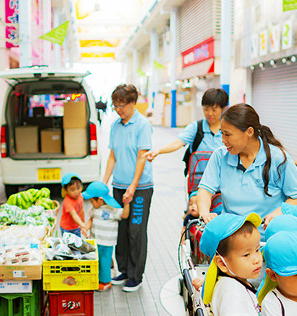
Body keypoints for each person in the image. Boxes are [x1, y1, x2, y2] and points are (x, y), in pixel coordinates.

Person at [197, 103, 297, 231]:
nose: (223, 140)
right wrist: (205, 213)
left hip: (268, 236)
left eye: (227, 134)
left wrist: (280, 211)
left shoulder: (278, 158)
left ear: (249, 132)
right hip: (232, 236)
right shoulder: (220, 156)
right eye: (222, 133)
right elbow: (205, 190)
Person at [103, 84, 153, 292]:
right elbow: (112, 155)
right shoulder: (116, 125)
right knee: (120, 230)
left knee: (136, 231)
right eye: (115, 105)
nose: (118, 109)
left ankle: (136, 275)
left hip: (139, 188)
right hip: (118, 186)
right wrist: (103, 182)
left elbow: (142, 157)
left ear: (133, 102)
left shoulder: (142, 124)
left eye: (122, 105)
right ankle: (123, 270)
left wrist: (133, 186)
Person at [143, 88, 228, 172]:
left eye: (214, 110)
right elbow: (177, 143)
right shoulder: (196, 127)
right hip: (198, 181)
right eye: (206, 109)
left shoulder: (228, 130)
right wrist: (158, 151)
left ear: (223, 109)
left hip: (222, 181)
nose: (209, 113)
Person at [193, 213, 262, 315]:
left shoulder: (232, 281)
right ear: (222, 263)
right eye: (247, 254)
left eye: (257, 249)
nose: (256, 259)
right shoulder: (233, 295)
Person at [83, 181, 130, 291]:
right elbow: (91, 220)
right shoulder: (94, 209)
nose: (91, 203)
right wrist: (86, 227)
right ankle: (100, 278)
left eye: (91, 201)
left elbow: (124, 215)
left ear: (99, 200)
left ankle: (106, 281)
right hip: (95, 240)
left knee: (104, 261)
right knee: (97, 261)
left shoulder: (113, 209)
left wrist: (126, 204)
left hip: (107, 242)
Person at [59, 172, 87, 238]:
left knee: (77, 244)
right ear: (66, 190)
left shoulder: (80, 197)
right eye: (72, 189)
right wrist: (82, 225)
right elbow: (74, 215)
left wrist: (83, 223)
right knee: (68, 245)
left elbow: (81, 210)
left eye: (78, 188)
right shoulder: (67, 201)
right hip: (66, 228)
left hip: (76, 226)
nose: (76, 191)